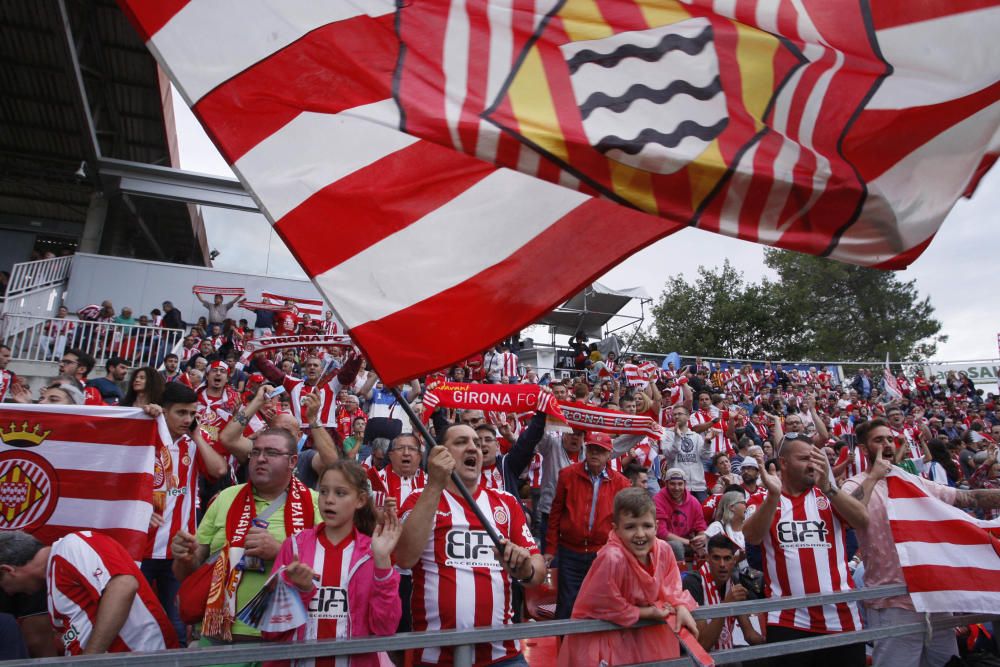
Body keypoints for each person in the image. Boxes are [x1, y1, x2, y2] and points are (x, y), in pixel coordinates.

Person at [842, 418, 1000, 667]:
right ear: (864, 449)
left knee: (948, 663)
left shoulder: (911, 481)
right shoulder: (855, 484)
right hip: (893, 603)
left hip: (934, 597)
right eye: (878, 440)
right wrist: (873, 477)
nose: (887, 444)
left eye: (889, 439)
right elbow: (849, 515)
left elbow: (965, 497)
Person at [394, 424, 545, 666]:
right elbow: (404, 557)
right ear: (440, 453)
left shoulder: (505, 502)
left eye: (477, 442)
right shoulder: (419, 500)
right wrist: (434, 484)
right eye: (462, 442)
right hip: (437, 658)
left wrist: (524, 568)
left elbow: (538, 569)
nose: (475, 447)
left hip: (503, 655)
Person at [170, 428, 321, 647]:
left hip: (284, 640)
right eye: (255, 452)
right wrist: (183, 556)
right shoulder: (224, 498)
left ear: (293, 461)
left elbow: (330, 573)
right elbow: (188, 572)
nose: (260, 459)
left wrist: (280, 552)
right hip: (218, 638)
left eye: (271, 453)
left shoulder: (316, 504)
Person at [742, 433, 873, 666]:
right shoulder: (763, 498)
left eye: (815, 458)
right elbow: (752, 536)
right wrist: (773, 497)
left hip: (842, 619)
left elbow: (862, 520)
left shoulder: (829, 495)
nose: (812, 464)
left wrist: (830, 488)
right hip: (787, 620)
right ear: (783, 463)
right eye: (804, 459)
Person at [266, 461, 402, 666]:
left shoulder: (373, 552)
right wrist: (297, 590)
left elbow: (385, 629)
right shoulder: (294, 547)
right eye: (323, 492)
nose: (329, 500)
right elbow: (270, 630)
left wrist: (383, 562)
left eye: (340, 493)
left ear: (361, 500)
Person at [557, 488, 698, 666]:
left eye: (646, 526)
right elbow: (603, 604)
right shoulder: (611, 558)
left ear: (656, 526)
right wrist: (647, 612)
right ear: (616, 529)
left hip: (650, 639)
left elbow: (673, 587)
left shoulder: (665, 550)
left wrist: (681, 607)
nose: (640, 534)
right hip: (610, 642)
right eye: (630, 526)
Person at [141, 383, 228, 646]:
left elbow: (219, 470)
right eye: (181, 413)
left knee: (178, 623)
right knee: (137, 619)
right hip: (140, 547)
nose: (187, 419)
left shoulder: (192, 445)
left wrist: (199, 436)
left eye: (192, 413)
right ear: (164, 411)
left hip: (177, 551)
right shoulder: (144, 436)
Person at [0, 530, 177, 655]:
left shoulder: (71, 545)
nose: (8, 593)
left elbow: (123, 585)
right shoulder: (54, 576)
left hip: (140, 657)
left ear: (8, 570)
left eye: (2, 585)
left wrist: (90, 659)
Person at [544, 432, 630, 619]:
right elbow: (555, 514)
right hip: (570, 552)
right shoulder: (567, 475)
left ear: (609, 455)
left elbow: (624, 522)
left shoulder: (621, 483)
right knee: (567, 606)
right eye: (591, 449)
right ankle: (564, 646)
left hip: (601, 554)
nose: (594, 454)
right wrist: (550, 549)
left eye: (600, 451)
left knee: (599, 606)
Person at [682, 534, 765, 651]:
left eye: (727, 558)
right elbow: (702, 645)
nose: (722, 565)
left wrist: (776, 646)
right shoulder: (693, 583)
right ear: (707, 558)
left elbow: (750, 635)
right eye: (716, 558)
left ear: (734, 560)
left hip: (726, 656)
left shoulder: (733, 581)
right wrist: (725, 605)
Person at [654, 468, 708, 563]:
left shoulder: (693, 502)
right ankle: (681, 574)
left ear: (685, 484)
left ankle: (703, 573)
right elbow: (661, 532)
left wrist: (701, 538)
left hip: (688, 541)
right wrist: (689, 543)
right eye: (672, 484)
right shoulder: (658, 500)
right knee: (676, 546)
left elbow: (700, 526)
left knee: (711, 542)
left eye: (680, 484)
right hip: (666, 543)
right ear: (666, 484)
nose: (676, 488)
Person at [659, 405, 713, 500]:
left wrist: (707, 442)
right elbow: (669, 455)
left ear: (688, 417)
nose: (676, 416)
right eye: (674, 414)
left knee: (701, 514)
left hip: (698, 486)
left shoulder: (696, 436)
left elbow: (706, 456)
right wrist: (677, 438)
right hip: (678, 486)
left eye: (679, 414)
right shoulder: (667, 435)